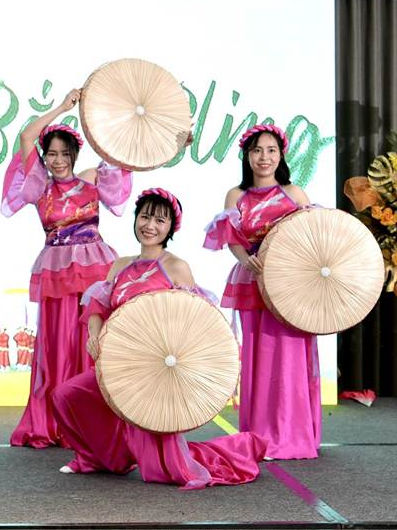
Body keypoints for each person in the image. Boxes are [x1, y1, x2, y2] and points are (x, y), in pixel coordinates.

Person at [52, 188, 267, 488]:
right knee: (66, 395)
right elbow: (99, 306)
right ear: (136, 219)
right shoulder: (120, 264)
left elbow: (193, 320)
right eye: (145, 217)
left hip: (154, 371)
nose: (150, 225)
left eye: (159, 220)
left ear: (171, 228)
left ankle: (237, 449)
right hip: (117, 364)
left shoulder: (177, 268)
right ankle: (102, 459)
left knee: (165, 471)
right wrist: (94, 334)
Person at [1, 89, 132, 447]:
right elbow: (26, 137)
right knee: (57, 345)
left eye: (64, 154)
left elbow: (120, 155)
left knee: (91, 343)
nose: (57, 160)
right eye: (52, 154)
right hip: (57, 274)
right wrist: (62, 106)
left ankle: (94, 421)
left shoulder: (91, 179)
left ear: (74, 154)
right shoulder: (39, 187)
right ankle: (55, 421)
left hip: (94, 270)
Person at [204, 124, 319, 460]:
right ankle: (260, 435)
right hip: (252, 282)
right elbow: (232, 238)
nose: (264, 157)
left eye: (270, 150)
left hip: (289, 285)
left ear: (281, 155)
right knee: (260, 356)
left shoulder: (294, 194)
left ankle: (293, 433)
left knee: (290, 358)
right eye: (257, 150)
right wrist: (247, 259)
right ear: (247, 156)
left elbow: (314, 235)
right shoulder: (235, 196)